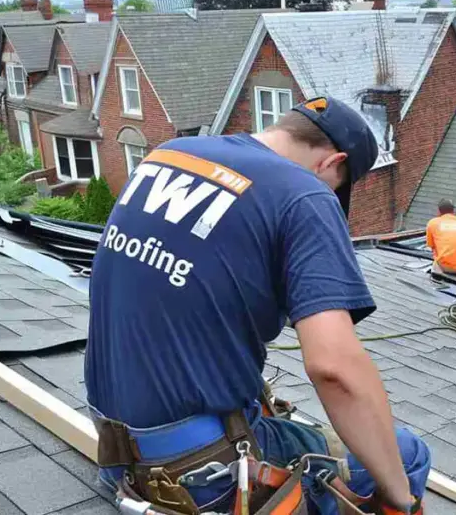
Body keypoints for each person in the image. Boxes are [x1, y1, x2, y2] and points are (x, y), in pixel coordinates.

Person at [84, 97, 429, 515]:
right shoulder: (304, 195)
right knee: (406, 454)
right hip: (201, 477)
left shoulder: (169, 153)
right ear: (332, 163)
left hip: (117, 455)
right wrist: (398, 497)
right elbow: (334, 369)